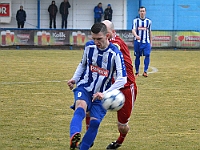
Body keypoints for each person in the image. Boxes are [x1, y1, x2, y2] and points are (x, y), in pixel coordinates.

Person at [67, 22, 127, 150]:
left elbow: (123, 79)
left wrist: (105, 94)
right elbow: (82, 64)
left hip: (102, 94)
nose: (96, 42)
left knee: (94, 123)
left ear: (108, 36)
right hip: (85, 87)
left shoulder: (115, 53)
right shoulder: (89, 47)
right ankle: (74, 137)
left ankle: (83, 147)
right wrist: (74, 79)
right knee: (80, 107)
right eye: (93, 39)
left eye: (99, 39)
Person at [83, 20, 137, 149]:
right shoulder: (101, 43)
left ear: (113, 33)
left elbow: (112, 47)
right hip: (107, 85)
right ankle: (88, 140)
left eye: (105, 32)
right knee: (88, 110)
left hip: (125, 87)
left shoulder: (116, 43)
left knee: (122, 126)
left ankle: (119, 141)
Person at [132, 6, 152, 77]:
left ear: (145, 12)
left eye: (143, 11)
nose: (142, 12)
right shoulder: (135, 21)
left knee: (147, 55)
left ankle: (145, 71)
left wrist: (150, 42)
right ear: (139, 12)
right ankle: (137, 72)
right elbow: (133, 30)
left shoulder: (148, 22)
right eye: (141, 11)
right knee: (137, 56)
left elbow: (149, 32)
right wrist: (136, 35)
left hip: (146, 42)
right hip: (137, 42)